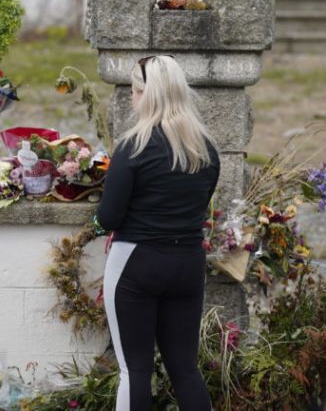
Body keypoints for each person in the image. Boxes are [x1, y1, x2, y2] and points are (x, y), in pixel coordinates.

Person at [96, 55, 220, 411]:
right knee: (185, 369)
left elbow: (108, 217)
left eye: (135, 92)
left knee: (134, 370)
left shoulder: (134, 146)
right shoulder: (206, 149)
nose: (132, 100)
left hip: (137, 262)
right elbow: (201, 206)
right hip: (187, 263)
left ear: (144, 95)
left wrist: (91, 225)